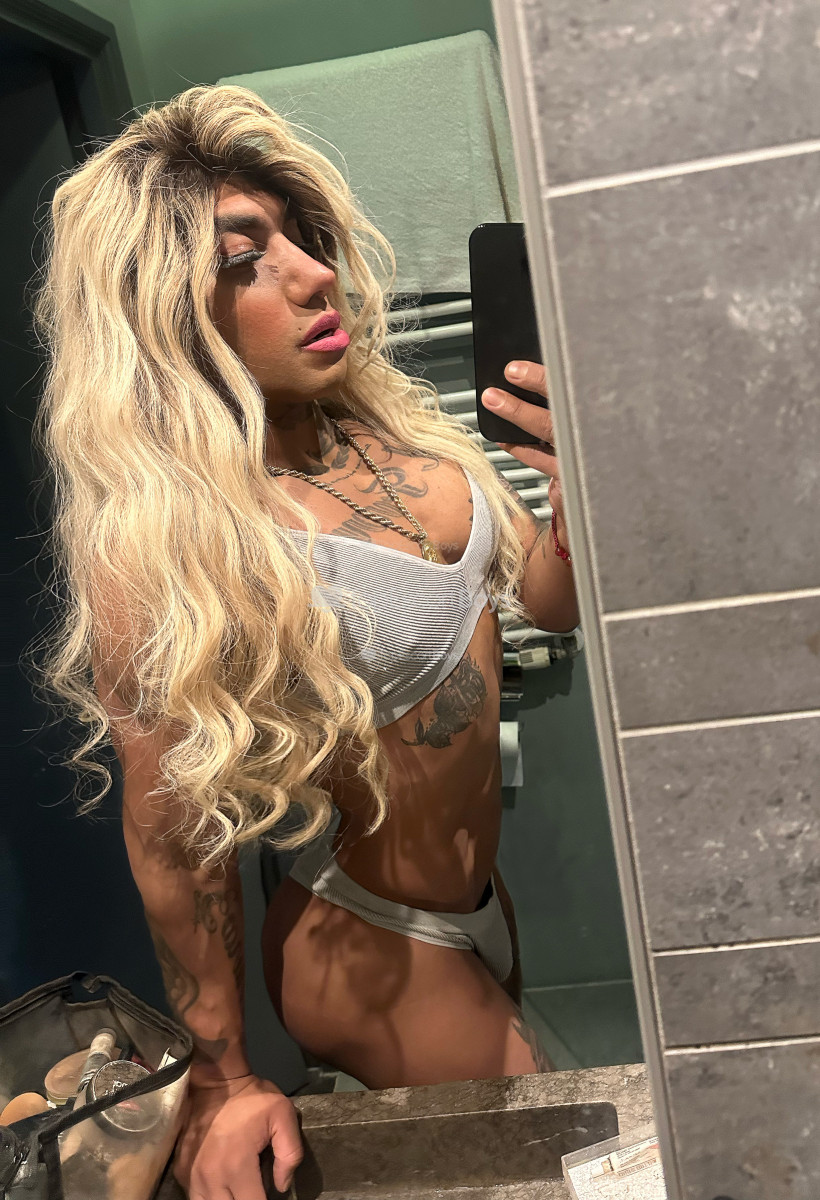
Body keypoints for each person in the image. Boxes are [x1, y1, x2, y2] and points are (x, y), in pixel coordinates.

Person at [29, 85, 578, 1200]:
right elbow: (174, 842)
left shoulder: (389, 429)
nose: (312, 274)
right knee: (567, 1166)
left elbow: (545, 600)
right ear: (165, 316)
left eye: (299, 237)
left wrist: (576, 510)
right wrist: (223, 1079)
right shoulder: (179, 538)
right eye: (246, 259)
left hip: (476, 901)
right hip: (369, 942)